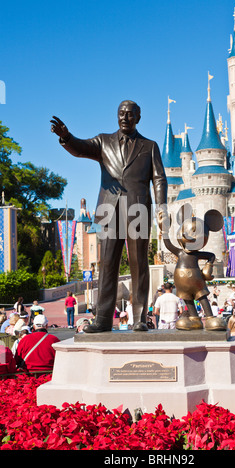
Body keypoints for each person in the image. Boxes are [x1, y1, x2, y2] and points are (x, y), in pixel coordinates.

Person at [51, 100, 168, 333]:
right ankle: (103, 319)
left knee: (139, 264)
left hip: (139, 209)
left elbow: (159, 178)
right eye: (121, 114)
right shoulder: (104, 141)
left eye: (130, 114)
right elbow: (80, 148)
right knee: (107, 265)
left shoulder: (150, 146)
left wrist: (161, 205)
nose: (125, 117)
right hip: (109, 209)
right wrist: (66, 137)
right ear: (117, 116)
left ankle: (139, 318)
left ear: (138, 118)